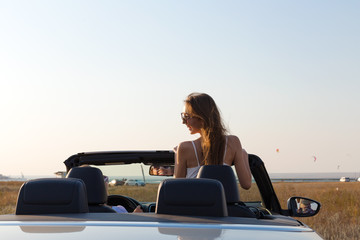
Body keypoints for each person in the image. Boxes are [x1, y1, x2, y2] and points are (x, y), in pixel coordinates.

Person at [174, 93, 252, 190]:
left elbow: (177, 188)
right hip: (224, 205)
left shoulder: (185, 148)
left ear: (201, 118)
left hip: (195, 205)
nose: (183, 121)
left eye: (187, 116)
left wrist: (178, 155)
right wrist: (243, 154)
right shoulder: (233, 142)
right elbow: (246, 184)